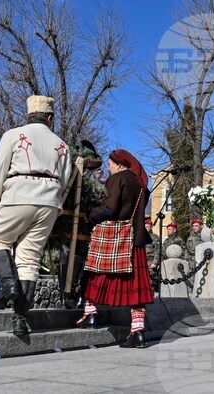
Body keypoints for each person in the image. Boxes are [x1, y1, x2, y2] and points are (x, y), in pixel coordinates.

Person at [0, 95, 71, 336]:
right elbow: (65, 181)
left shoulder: (13, 135)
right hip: (50, 201)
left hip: (18, 193)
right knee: (30, 259)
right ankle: (20, 319)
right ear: (50, 118)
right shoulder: (61, 145)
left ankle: (8, 283)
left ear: (29, 116)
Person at [78, 149, 154, 348]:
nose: (108, 167)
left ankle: (90, 314)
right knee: (135, 287)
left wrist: (91, 215)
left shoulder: (117, 178)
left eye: (110, 163)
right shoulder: (140, 183)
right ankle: (138, 332)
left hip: (113, 236)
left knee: (93, 274)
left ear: (120, 164)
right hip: (134, 239)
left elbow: (109, 208)